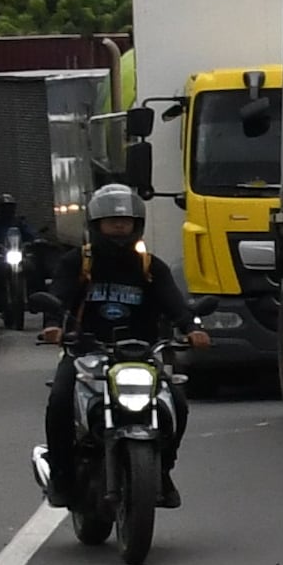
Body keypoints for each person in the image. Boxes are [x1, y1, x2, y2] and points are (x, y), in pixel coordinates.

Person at [40, 184, 199, 502]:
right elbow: (58, 295)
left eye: (125, 221)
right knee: (60, 399)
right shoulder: (78, 262)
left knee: (177, 405)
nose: (119, 227)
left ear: (136, 224)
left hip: (141, 354)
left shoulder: (149, 266)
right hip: (86, 351)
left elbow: (174, 303)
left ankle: (163, 471)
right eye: (112, 221)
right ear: (96, 224)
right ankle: (61, 477)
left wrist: (192, 327)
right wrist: (54, 326)